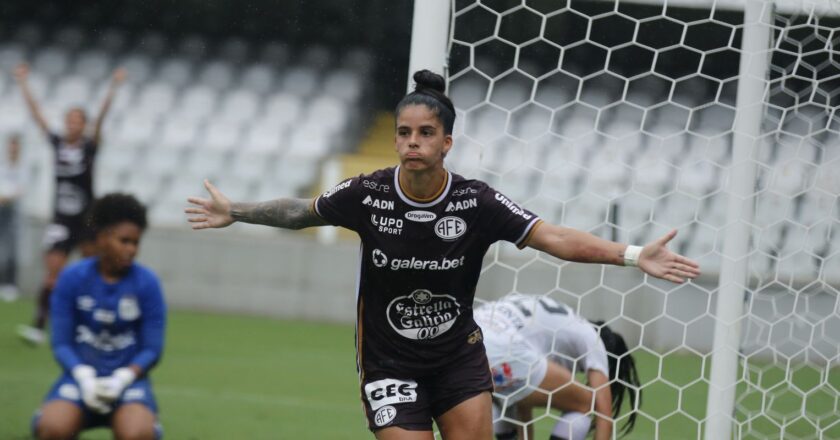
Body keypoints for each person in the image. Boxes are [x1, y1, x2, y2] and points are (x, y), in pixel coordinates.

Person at [185, 70, 700, 440]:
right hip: (389, 363)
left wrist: (632, 254)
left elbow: (553, 237)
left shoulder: (476, 201)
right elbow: (301, 211)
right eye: (405, 133)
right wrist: (239, 211)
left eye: (425, 133)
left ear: (447, 142)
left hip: (458, 360)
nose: (413, 143)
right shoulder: (369, 193)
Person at [32, 193, 165, 440]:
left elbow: (152, 349)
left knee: (138, 433)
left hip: (128, 384)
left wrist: (122, 378)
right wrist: (84, 376)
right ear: (103, 238)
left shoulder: (148, 283)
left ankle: (148, 421)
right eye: (124, 241)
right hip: (80, 378)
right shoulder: (72, 278)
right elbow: (61, 343)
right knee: (52, 428)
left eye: (136, 242)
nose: (131, 249)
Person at [14, 63, 127, 344]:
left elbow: (101, 119)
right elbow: (37, 115)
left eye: (78, 120)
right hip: (61, 219)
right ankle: (39, 326)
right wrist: (23, 83)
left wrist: (113, 88)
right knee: (53, 271)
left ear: (84, 125)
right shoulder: (57, 144)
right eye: (69, 120)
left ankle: (95, 326)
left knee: (93, 274)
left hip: (88, 221)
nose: (72, 124)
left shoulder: (89, 147)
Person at [474, 294, 641, 440]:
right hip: (503, 348)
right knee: (587, 403)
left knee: (513, 398)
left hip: (468, 338)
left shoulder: (561, 318)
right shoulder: (592, 339)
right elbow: (604, 416)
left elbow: (523, 401)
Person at [0, 134, 24, 301]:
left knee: (12, 247)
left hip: (13, 210)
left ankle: (10, 284)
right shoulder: (3, 167)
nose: (12, 149)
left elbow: (21, 189)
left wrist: (7, 198)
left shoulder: (23, 168)